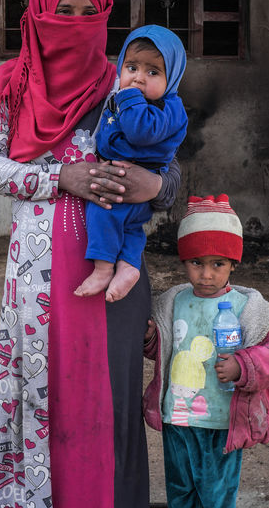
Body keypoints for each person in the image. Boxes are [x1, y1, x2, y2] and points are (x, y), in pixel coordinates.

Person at [0, 0, 181, 508]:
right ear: (38, 12)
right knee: (45, 398)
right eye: (62, 12)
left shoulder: (122, 80)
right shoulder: (12, 82)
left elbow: (168, 164)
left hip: (111, 275)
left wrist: (158, 187)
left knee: (109, 405)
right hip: (37, 277)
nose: (75, 23)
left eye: (89, 13)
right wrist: (57, 176)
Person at [142, 194, 269, 508]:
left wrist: (243, 366)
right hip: (178, 415)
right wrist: (149, 338)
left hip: (223, 419)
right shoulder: (172, 301)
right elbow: (164, 348)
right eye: (196, 263)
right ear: (183, 262)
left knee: (218, 486)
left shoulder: (249, 308)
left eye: (217, 264)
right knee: (180, 483)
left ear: (233, 264)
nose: (206, 274)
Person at [74, 25, 188, 302]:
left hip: (134, 179)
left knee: (102, 212)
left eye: (153, 72)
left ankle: (103, 270)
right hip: (130, 180)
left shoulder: (165, 107)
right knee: (130, 228)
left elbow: (139, 132)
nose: (138, 78)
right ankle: (128, 266)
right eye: (132, 67)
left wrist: (128, 96)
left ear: (172, 77)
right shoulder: (136, 99)